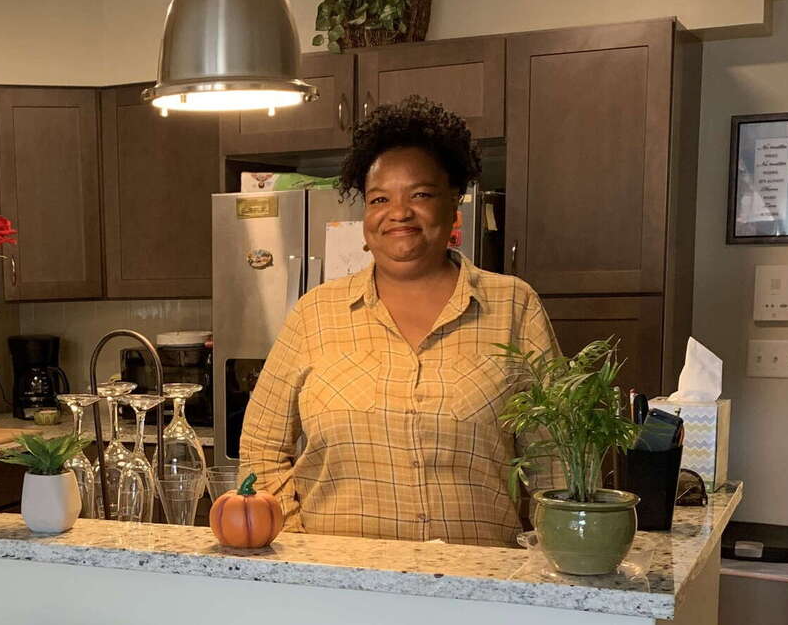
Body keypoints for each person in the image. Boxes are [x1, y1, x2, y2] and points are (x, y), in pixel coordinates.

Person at [240, 96, 560, 547]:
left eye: (421, 194)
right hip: (335, 590)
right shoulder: (315, 313)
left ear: (454, 203)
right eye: (380, 199)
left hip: (475, 592)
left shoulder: (514, 305)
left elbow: (555, 463)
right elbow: (260, 450)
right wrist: (301, 545)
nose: (399, 212)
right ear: (366, 214)